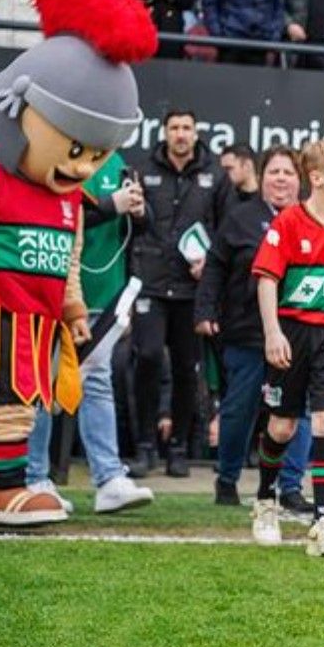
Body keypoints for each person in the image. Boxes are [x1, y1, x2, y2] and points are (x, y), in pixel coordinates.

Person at [0, 0, 154, 528]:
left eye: (95, 155)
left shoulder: (70, 201)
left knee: (16, 408)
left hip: (37, 325)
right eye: (76, 147)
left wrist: (75, 311)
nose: (81, 166)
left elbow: (67, 262)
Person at [249, 140, 324, 556]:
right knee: (282, 426)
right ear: (317, 179)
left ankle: (323, 521)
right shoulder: (288, 222)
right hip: (293, 331)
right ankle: (266, 500)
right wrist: (272, 332)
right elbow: (267, 278)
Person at [24, 153, 154, 516]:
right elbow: (56, 212)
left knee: (97, 379)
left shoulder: (120, 163)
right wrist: (113, 205)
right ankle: (35, 477)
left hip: (105, 290)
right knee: (44, 382)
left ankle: (108, 478)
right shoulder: (59, 154)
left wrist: (139, 210)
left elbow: (144, 227)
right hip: (57, 288)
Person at [196, 147, 302, 506]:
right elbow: (214, 267)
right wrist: (205, 310)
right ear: (261, 178)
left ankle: (290, 487)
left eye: (288, 172)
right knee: (238, 410)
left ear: (300, 179)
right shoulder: (239, 218)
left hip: (299, 335)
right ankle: (227, 479)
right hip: (245, 333)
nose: (281, 179)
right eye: (274, 171)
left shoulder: (312, 219)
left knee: (292, 411)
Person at [127, 108, 226, 477]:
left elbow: (224, 228)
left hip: (191, 288)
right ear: (164, 131)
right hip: (150, 281)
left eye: (187, 127)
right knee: (148, 358)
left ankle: (180, 448)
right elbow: (131, 225)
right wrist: (136, 213)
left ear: (196, 132)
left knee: (187, 368)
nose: (181, 134)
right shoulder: (141, 169)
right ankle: (145, 446)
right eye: (174, 128)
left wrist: (210, 259)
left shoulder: (214, 175)